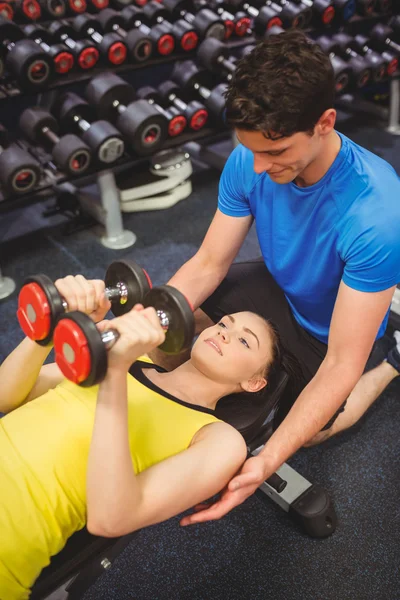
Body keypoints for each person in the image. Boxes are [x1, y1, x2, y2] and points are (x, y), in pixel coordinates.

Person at [148, 30, 400, 524]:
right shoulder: (252, 157)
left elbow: (340, 364)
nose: (259, 167)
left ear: (325, 123)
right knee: (178, 316)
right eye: (253, 151)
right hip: (280, 284)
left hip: (329, 332)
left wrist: (267, 459)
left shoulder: (379, 213)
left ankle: (393, 358)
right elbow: (207, 264)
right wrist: (144, 324)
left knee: (312, 427)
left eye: (277, 151)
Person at [0, 274, 283, 599]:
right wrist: (47, 330)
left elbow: (111, 519)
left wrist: (115, 372)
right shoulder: (134, 359)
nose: (224, 333)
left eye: (245, 341)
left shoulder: (220, 440)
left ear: (254, 383)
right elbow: (8, 396)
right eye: (223, 323)